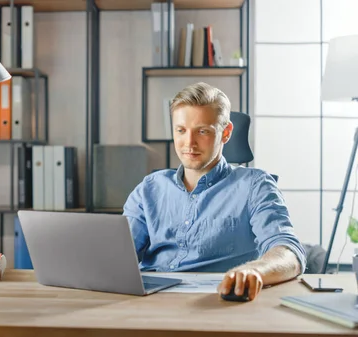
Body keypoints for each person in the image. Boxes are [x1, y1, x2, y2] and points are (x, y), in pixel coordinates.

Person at [123, 82, 306, 301]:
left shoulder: (255, 185)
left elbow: (288, 252)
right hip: (147, 300)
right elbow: (119, 256)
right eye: (181, 130)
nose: (189, 143)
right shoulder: (149, 188)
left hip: (218, 299)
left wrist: (255, 271)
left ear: (226, 132)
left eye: (202, 131)